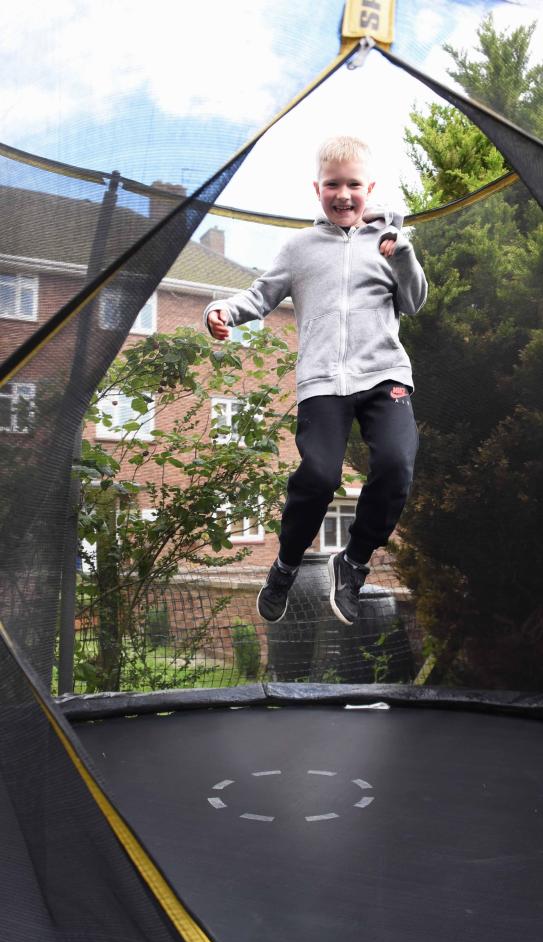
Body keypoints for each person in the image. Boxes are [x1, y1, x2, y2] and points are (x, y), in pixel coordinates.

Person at [204, 135, 427, 626]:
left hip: (383, 374)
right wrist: (221, 309)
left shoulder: (389, 243)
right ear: (317, 189)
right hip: (323, 382)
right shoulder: (300, 248)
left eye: (353, 185)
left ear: (369, 188)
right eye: (333, 185)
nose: (343, 195)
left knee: (395, 465)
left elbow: (413, 302)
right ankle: (284, 566)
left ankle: (353, 562)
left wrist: (403, 254)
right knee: (320, 477)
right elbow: (262, 295)